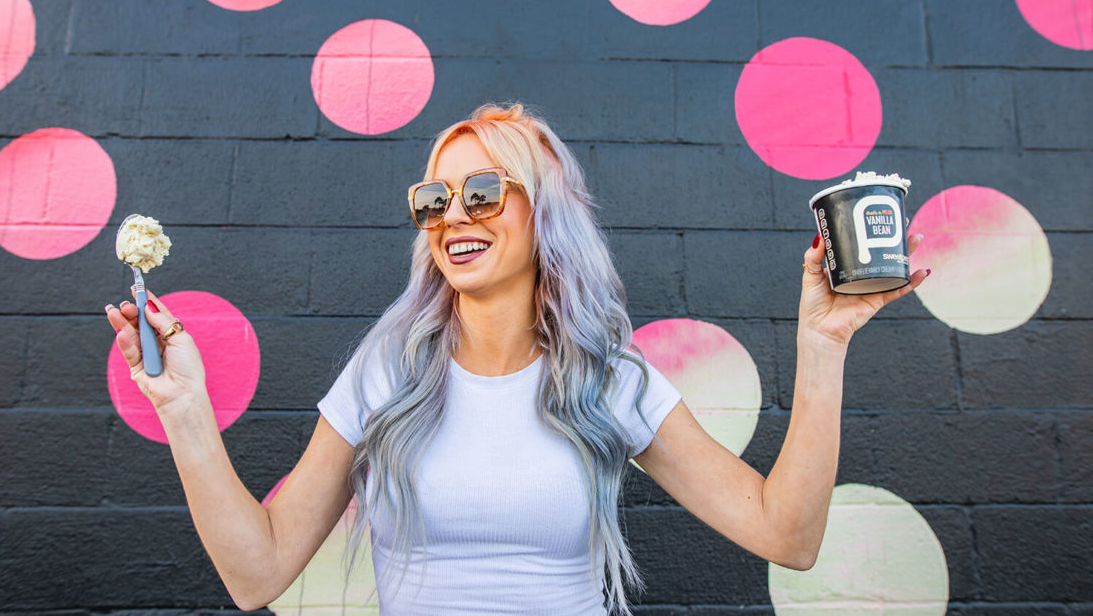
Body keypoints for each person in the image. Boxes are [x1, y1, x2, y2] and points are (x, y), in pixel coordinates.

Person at [105, 103, 929, 615]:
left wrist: (822, 345)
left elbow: (786, 534)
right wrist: (184, 411)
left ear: (544, 213)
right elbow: (258, 573)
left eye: (483, 192)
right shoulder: (387, 368)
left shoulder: (611, 377)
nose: (453, 214)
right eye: (434, 199)